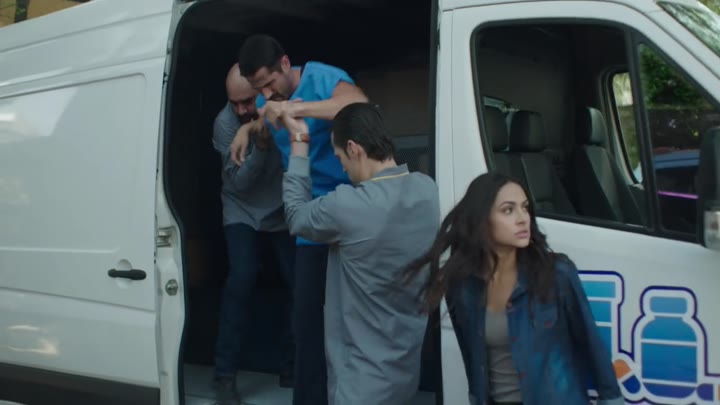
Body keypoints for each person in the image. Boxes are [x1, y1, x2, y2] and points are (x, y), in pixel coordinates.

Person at [229, 34, 368, 405]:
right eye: (258, 88)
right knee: (307, 324)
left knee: (353, 323)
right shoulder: (266, 100)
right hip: (309, 224)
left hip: (348, 218)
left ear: (286, 64)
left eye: (269, 82)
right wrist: (246, 129)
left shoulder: (321, 77)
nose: (266, 93)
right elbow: (266, 118)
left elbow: (358, 105)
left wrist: (296, 110)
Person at [404, 172, 624, 405]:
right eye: (508, 210)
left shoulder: (556, 273)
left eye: (525, 208)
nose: (522, 218)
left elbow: (591, 344)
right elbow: (472, 359)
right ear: (481, 220)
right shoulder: (462, 287)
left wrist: (611, 399)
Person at [279, 102, 440, 405]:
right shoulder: (427, 190)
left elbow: (296, 216)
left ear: (353, 149)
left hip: (360, 383)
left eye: (339, 157)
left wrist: (299, 142)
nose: (341, 167)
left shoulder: (349, 205)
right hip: (406, 374)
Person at [211, 63, 295, 405]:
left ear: (263, 91)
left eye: (247, 102)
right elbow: (240, 185)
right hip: (241, 209)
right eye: (234, 103)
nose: (241, 110)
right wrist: (260, 146)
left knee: (300, 284)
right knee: (241, 281)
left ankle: (291, 366)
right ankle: (224, 376)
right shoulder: (224, 124)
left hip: (282, 210)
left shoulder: (284, 107)